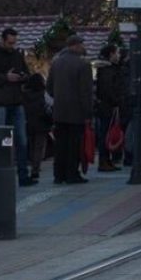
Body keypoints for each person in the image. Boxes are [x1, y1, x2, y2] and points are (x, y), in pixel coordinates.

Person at [0, 27, 34, 187]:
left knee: (22, 140)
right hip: (0, 103)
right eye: (10, 42)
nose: (12, 45)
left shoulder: (17, 55)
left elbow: (27, 74)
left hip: (16, 101)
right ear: (3, 40)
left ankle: (23, 174)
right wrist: (5, 77)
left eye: (14, 42)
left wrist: (23, 77)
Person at [47, 35, 93, 184]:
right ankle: (72, 174)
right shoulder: (83, 64)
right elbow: (86, 91)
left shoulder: (56, 63)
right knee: (74, 145)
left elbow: (49, 87)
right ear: (75, 45)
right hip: (76, 111)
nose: (83, 47)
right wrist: (88, 112)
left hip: (59, 111)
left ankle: (58, 175)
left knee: (60, 144)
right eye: (81, 44)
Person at [94, 45, 126, 172]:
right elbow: (108, 89)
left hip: (110, 106)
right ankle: (104, 161)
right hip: (108, 107)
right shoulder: (107, 70)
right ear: (111, 54)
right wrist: (117, 101)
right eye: (117, 53)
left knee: (107, 133)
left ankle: (107, 160)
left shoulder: (110, 69)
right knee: (106, 134)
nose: (119, 55)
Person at [22, 72, 51, 181]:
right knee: (39, 147)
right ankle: (35, 168)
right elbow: (50, 105)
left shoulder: (24, 94)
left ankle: (30, 164)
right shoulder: (43, 93)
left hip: (28, 123)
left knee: (31, 145)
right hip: (41, 122)